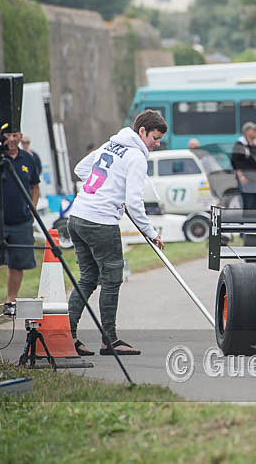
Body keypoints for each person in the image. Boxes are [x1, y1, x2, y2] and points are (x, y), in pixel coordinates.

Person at [68, 110, 166, 356]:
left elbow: (81, 169)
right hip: (100, 222)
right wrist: (151, 232)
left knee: (88, 278)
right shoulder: (136, 156)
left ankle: (67, 335)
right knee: (111, 280)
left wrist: (105, 187)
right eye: (155, 137)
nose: (157, 143)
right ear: (142, 131)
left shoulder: (110, 145)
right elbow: (134, 202)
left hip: (77, 216)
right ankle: (109, 340)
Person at [0, 132, 40, 316]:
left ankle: (10, 302)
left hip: (21, 221)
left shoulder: (28, 159)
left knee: (18, 262)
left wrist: (33, 207)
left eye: (16, 135)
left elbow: (35, 185)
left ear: (20, 136)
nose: (12, 139)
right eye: (8, 135)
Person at [231, 122, 256, 209]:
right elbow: (235, 162)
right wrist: (241, 177)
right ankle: (247, 222)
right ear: (247, 132)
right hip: (247, 181)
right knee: (248, 204)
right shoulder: (240, 145)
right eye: (253, 130)